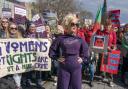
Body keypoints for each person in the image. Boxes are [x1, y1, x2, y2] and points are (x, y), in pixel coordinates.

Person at [49, 13, 89, 89]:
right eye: (73, 24)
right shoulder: (60, 38)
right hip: (64, 69)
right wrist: (57, 58)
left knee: (76, 87)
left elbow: (86, 51)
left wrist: (83, 58)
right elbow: (52, 51)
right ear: (67, 25)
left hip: (76, 69)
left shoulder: (80, 39)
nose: (75, 26)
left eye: (77, 24)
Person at [8, 23, 22, 89]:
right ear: (9, 29)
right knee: (14, 76)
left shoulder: (20, 38)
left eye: (15, 28)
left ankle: (18, 86)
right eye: (12, 28)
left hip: (19, 60)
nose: (14, 29)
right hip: (9, 61)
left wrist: (48, 40)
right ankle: (18, 86)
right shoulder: (4, 38)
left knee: (18, 75)